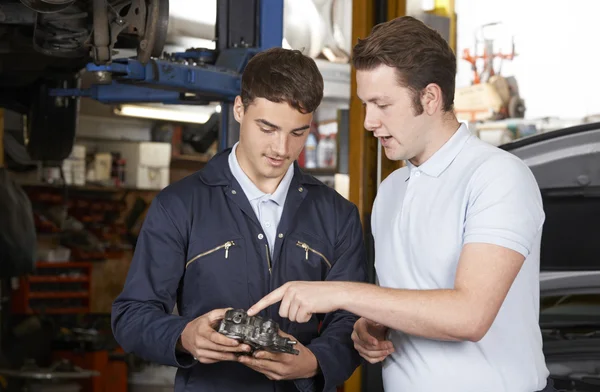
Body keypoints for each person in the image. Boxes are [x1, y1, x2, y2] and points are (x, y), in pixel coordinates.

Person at [247, 16, 557, 392]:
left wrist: (340, 293)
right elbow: (402, 303)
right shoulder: (391, 190)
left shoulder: (497, 177)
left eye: (382, 104)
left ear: (429, 98)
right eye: (365, 104)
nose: (369, 122)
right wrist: (370, 326)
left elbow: (469, 317)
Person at [111, 47, 367, 392]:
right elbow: (132, 314)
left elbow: (351, 318)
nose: (281, 148)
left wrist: (315, 361)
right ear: (239, 109)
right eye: (268, 127)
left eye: (297, 133)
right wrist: (184, 336)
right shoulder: (179, 206)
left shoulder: (338, 215)